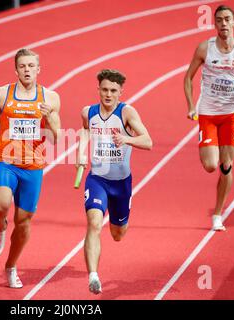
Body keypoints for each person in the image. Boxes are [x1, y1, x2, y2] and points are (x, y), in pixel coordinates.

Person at [0, 48, 61, 288]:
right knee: (0, 204)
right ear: (16, 70)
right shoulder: (1, 94)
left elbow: (56, 138)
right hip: (6, 161)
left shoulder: (51, 98)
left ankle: (11, 266)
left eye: (31, 66)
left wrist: (51, 119)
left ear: (38, 70)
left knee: (24, 222)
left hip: (33, 167)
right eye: (22, 66)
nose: (27, 70)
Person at [184, 5, 234, 231]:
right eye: (219, 20)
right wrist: (190, 106)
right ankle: (214, 157)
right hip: (207, 113)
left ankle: (217, 214)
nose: (223, 23)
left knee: (226, 165)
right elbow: (188, 78)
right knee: (210, 165)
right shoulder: (204, 49)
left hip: (231, 114)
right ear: (215, 24)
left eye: (227, 19)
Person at [76, 69, 152, 294]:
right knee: (94, 224)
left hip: (121, 184)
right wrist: (81, 151)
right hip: (97, 179)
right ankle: (93, 276)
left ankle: (116, 217)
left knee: (118, 234)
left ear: (121, 92)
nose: (108, 95)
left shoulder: (126, 113)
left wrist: (126, 138)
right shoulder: (88, 112)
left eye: (113, 91)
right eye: (104, 90)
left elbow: (148, 141)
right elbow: (85, 131)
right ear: (98, 90)